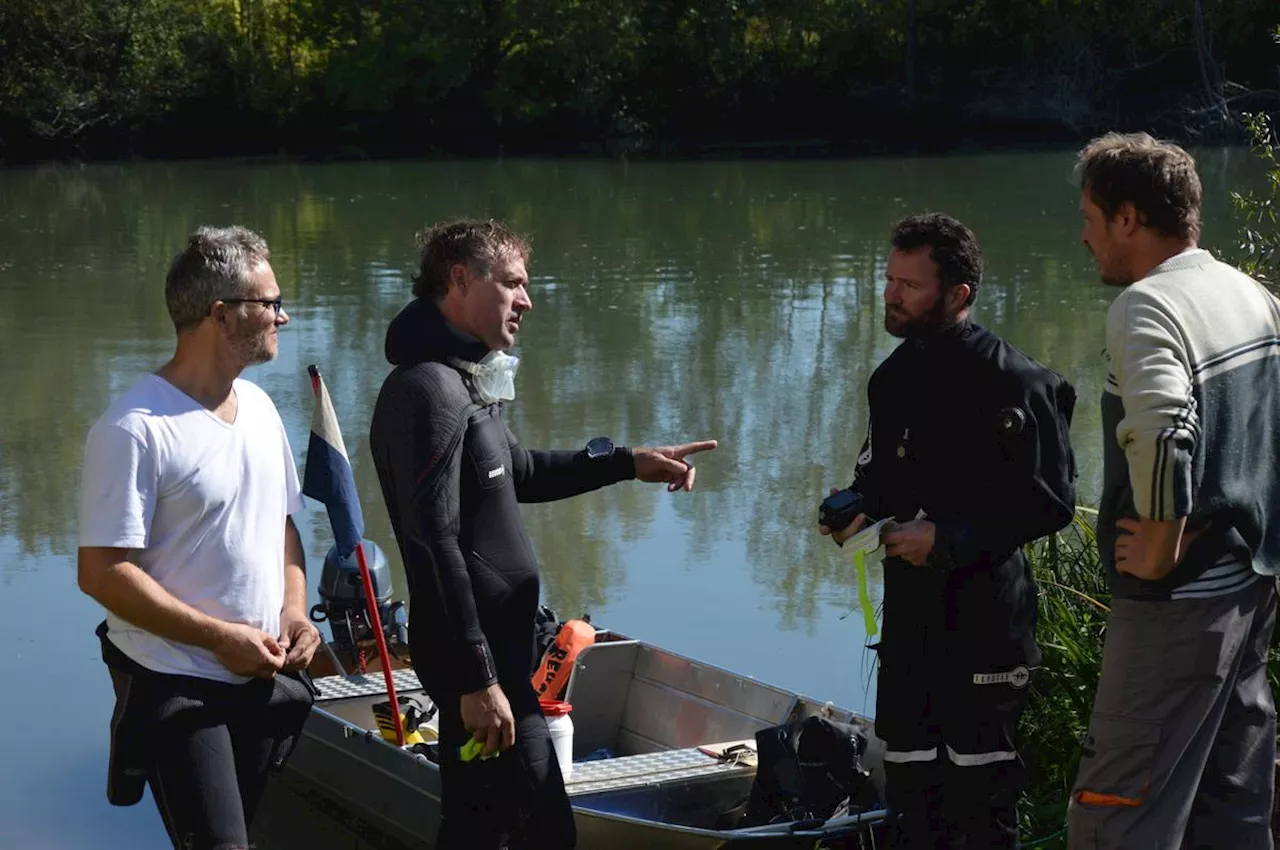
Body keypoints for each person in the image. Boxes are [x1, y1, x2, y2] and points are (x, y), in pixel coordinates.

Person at [368, 217, 718, 850]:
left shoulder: (465, 379)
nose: (526, 301)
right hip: (482, 666)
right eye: (512, 284)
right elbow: (434, 543)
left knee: (482, 827)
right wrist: (478, 680)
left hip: (501, 659)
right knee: (539, 829)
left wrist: (625, 462)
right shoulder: (427, 392)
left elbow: (517, 471)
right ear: (459, 280)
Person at [818, 213, 1078, 849]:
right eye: (888, 279)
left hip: (987, 626)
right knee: (909, 797)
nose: (890, 295)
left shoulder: (1015, 381)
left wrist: (948, 539)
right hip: (911, 629)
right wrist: (850, 511)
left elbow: (1052, 504)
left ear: (958, 293)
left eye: (909, 283)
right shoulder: (892, 380)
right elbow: (877, 483)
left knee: (980, 803)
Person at [1066, 132, 1280, 850]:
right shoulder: (1246, 291)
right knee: (1234, 808)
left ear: (1128, 216)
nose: (1085, 234)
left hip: (1177, 608)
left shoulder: (1149, 306)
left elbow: (1160, 429)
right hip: (1246, 594)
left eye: (1092, 215)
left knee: (1116, 813)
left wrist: (1159, 542)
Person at [77, 226, 319, 850]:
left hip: (263, 675)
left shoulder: (263, 410)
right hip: (176, 680)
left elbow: (283, 528)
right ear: (221, 313)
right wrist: (218, 638)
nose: (283, 316)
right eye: (270, 303)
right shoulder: (133, 429)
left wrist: (294, 610)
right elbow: (101, 574)